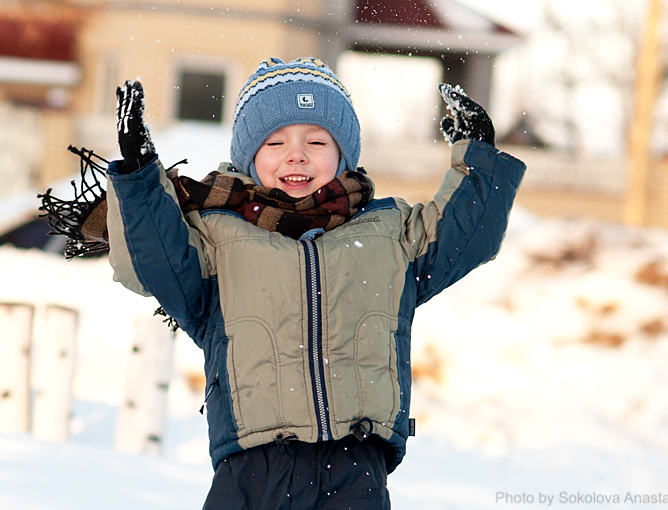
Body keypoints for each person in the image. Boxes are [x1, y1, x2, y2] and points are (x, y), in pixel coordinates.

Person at [105, 57, 526, 510]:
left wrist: (478, 156)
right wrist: (139, 175)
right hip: (250, 473)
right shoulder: (217, 238)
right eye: (275, 141)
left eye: (317, 141)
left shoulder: (389, 234)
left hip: (355, 467)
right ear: (248, 156)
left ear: (344, 154)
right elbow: (157, 263)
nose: (297, 154)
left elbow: (467, 235)